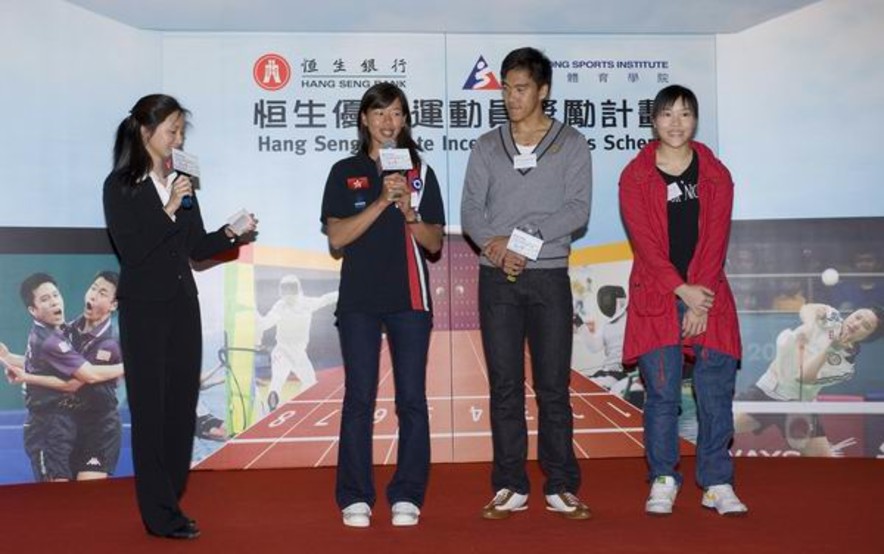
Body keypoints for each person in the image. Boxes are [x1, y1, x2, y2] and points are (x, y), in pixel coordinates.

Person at [103, 94, 256, 539]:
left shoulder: (180, 183)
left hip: (182, 307)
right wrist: (167, 207)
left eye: (181, 131)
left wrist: (232, 232)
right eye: (171, 130)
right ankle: (160, 513)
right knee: (151, 412)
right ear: (145, 132)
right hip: (145, 310)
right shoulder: (121, 185)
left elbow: (194, 248)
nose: (178, 139)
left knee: (179, 410)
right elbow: (133, 251)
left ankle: (169, 498)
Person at [461, 47, 593, 520]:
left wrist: (527, 240)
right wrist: (498, 248)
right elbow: (471, 213)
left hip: (549, 277)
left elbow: (578, 209)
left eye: (520, 89)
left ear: (543, 91)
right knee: (504, 387)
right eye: (505, 88)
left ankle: (561, 484)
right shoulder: (484, 146)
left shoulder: (571, 143)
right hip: (496, 279)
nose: (511, 98)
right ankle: (510, 485)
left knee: (553, 386)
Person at [618, 84, 748, 517]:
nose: (676, 123)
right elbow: (648, 247)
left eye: (685, 114)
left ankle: (716, 482)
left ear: (695, 120)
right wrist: (682, 291)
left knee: (715, 391)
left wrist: (698, 300)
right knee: (662, 394)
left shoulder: (716, 173)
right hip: (657, 294)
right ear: (653, 121)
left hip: (709, 295)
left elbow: (715, 239)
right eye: (667, 114)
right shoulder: (634, 176)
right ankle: (662, 478)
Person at [320, 82, 444, 528]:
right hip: (359, 300)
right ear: (364, 120)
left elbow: (433, 244)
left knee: (412, 399)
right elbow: (337, 238)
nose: (388, 122)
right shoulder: (344, 170)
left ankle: (408, 493)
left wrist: (410, 211)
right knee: (358, 398)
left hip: (410, 299)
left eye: (396, 113)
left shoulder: (422, 171)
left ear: (405, 120)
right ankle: (355, 495)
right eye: (379, 113)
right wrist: (380, 202)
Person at [0, 273, 124, 482]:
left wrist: (26, 377)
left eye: (102, 293)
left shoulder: (108, 344)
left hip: (100, 427)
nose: (93, 295)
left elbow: (77, 381)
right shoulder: (70, 329)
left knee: (86, 498)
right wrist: (11, 358)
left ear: (113, 305)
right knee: (65, 501)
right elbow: (54, 365)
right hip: (72, 424)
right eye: (93, 288)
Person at [734, 303, 883, 455]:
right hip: (765, 392)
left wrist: (830, 349)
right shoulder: (833, 318)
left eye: (865, 326)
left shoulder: (845, 368)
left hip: (798, 407)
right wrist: (809, 326)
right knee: (716, 427)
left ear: (868, 337)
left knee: (824, 464)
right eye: (858, 317)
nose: (856, 324)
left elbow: (803, 377)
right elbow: (808, 308)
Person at [256, 274, 338, 410]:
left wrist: (255, 315)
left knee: (279, 380)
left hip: (284, 351)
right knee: (309, 382)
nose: (288, 292)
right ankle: (295, 404)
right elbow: (327, 299)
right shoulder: (305, 303)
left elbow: (265, 324)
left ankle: (279, 398)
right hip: (293, 352)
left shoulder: (280, 306)